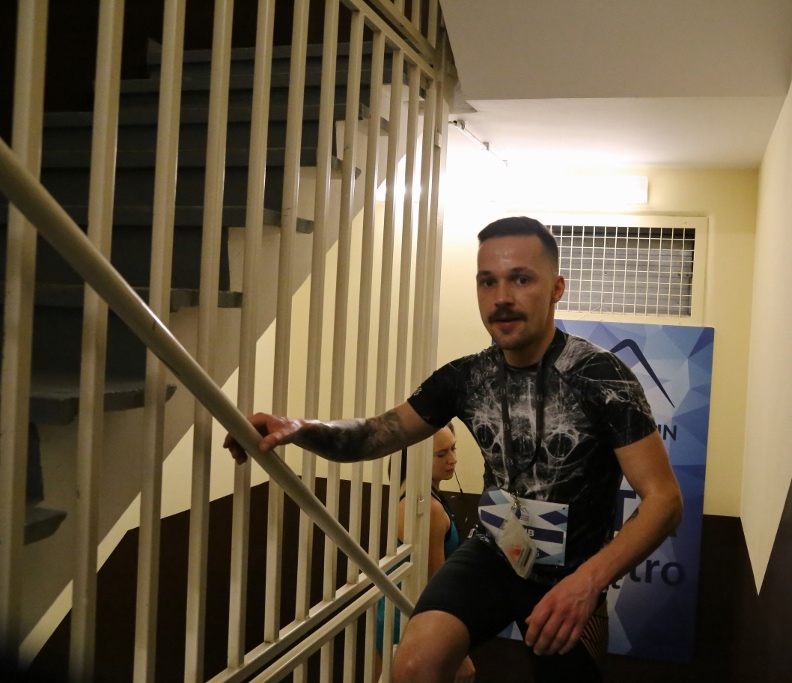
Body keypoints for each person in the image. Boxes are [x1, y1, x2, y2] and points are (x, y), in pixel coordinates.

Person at [225, 216, 684, 682]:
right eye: (488, 282)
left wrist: (589, 582)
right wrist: (298, 428)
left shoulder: (601, 376)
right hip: (495, 551)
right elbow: (376, 433)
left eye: (521, 279)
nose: (501, 297)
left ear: (556, 288)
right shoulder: (466, 377)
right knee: (413, 666)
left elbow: (664, 500)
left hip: (574, 573)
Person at [373, 424, 474, 682]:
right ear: (416, 458)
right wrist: (460, 655)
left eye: (453, 449)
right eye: (442, 454)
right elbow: (434, 585)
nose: (453, 459)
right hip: (411, 614)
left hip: (397, 608)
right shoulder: (427, 507)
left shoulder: (411, 491)